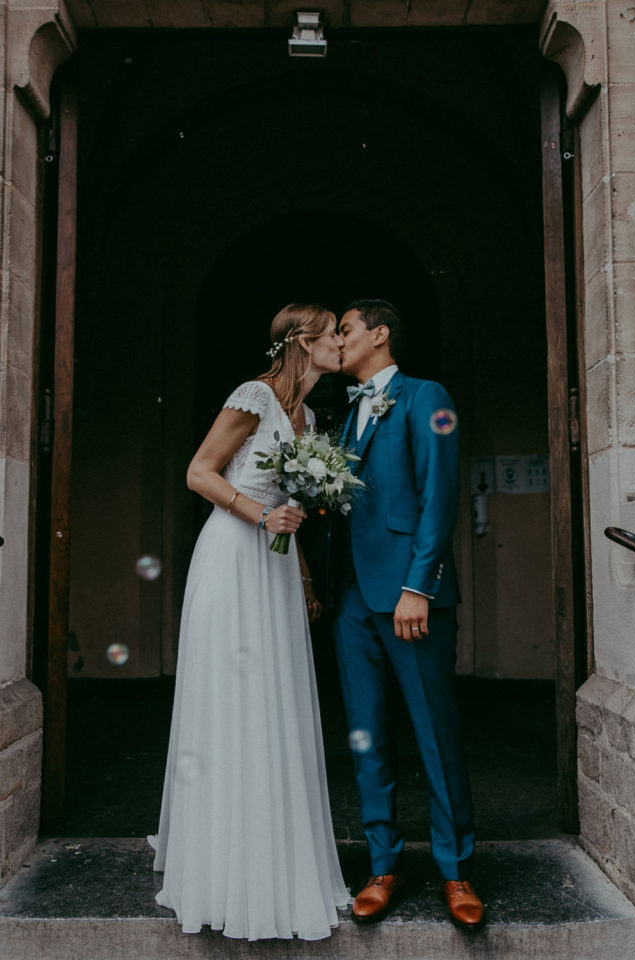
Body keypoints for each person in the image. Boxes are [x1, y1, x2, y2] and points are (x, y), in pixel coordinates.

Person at [150, 303, 349, 940]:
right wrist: (259, 518)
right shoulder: (255, 397)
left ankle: (276, 866)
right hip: (234, 560)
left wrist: (306, 579)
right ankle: (221, 872)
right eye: (333, 335)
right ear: (303, 342)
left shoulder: (309, 416)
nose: (342, 343)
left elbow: (292, 505)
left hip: (276, 571)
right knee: (235, 706)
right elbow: (198, 473)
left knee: (276, 706)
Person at [334, 299, 484, 928]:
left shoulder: (427, 396)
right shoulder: (345, 415)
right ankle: (383, 863)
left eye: (344, 330)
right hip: (352, 602)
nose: (337, 341)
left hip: (410, 600)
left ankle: (455, 871)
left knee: (434, 734)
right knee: (366, 736)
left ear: (380, 333)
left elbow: (438, 494)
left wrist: (418, 586)